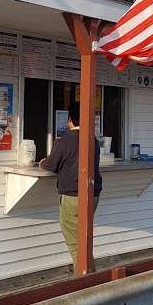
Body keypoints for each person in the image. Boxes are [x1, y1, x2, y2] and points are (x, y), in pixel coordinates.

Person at [39, 108, 102, 266]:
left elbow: (51, 165)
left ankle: (86, 280)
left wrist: (42, 162)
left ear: (69, 121)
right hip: (93, 194)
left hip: (73, 196)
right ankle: (88, 273)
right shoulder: (92, 139)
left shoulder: (64, 140)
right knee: (83, 239)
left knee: (76, 243)